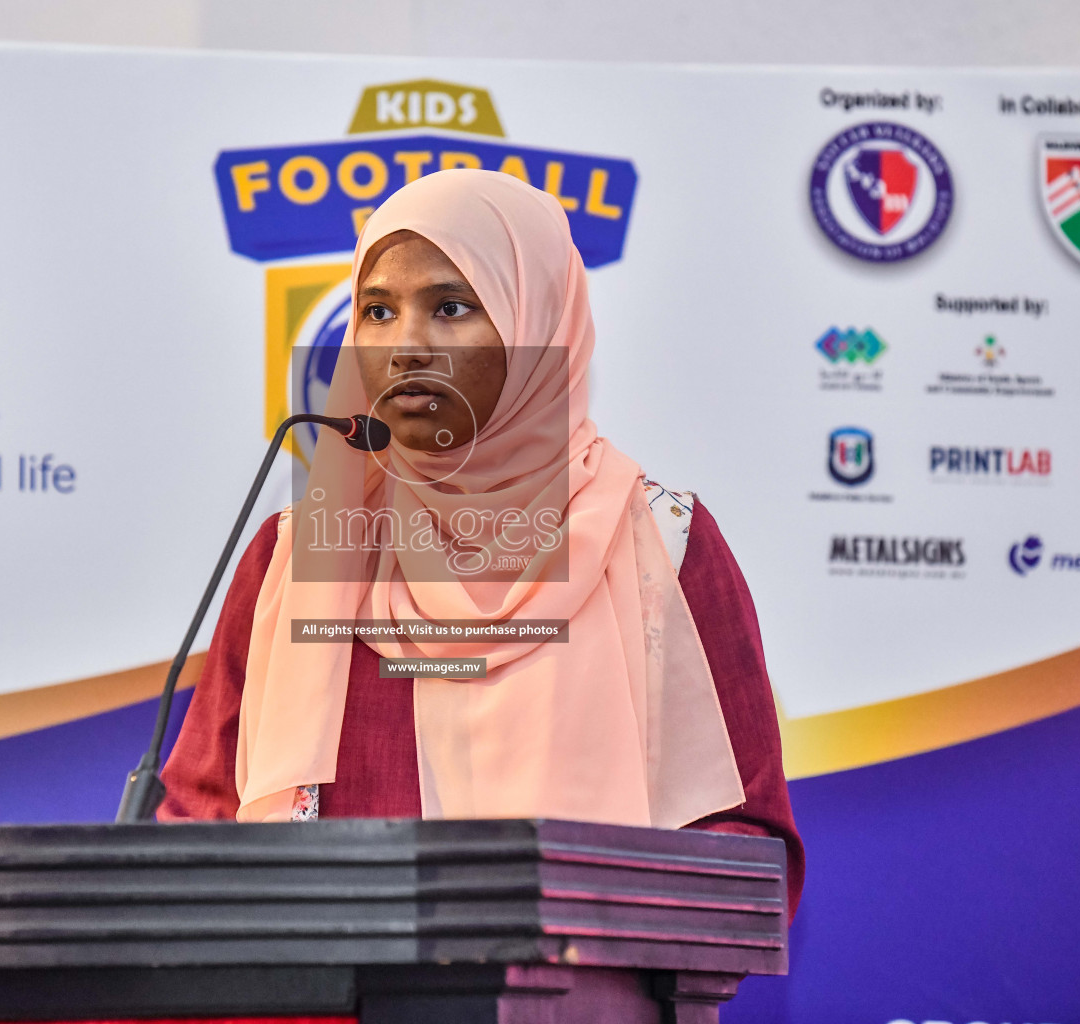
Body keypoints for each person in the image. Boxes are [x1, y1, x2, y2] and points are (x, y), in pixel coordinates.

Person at [158, 169, 803, 914]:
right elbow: (195, 824)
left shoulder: (662, 544)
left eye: (452, 306)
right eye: (376, 309)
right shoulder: (297, 556)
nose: (404, 347)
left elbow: (747, 854)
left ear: (543, 326)